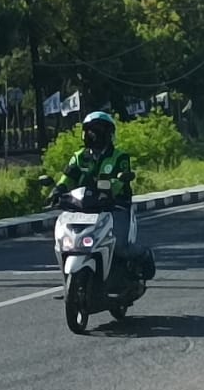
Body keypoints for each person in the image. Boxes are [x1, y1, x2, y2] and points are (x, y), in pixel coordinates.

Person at [53, 112, 145, 274]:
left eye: (99, 131)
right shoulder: (79, 157)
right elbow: (68, 177)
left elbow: (120, 181)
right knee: (69, 243)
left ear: (109, 134)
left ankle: (143, 256)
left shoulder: (119, 157)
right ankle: (69, 281)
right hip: (83, 206)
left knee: (120, 247)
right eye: (91, 131)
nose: (94, 135)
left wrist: (110, 189)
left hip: (116, 205)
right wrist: (57, 190)